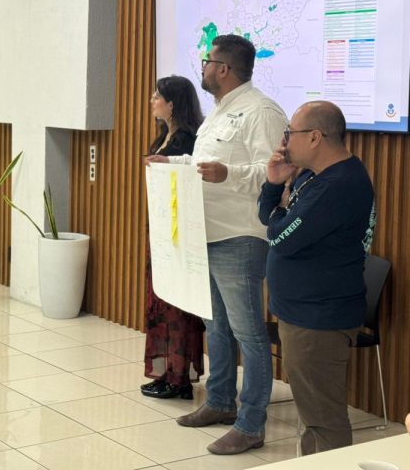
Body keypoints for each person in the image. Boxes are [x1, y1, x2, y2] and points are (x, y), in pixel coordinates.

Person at [150, 35, 287, 455]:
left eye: (208, 61)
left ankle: (251, 424)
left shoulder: (261, 111)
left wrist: (230, 173)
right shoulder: (219, 111)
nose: (204, 67)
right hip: (206, 233)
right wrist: (174, 162)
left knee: (249, 334)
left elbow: (276, 172)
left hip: (240, 236)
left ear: (223, 69)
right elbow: (203, 165)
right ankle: (221, 401)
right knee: (217, 326)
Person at [258, 101, 375, 455]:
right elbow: (268, 218)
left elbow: (281, 238)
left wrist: (278, 212)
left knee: (324, 421)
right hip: (303, 313)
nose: (284, 142)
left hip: (318, 320)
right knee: (314, 416)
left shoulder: (339, 185)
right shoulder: (312, 175)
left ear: (314, 137)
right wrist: (273, 185)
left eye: (289, 133)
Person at [140, 75, 206, 400]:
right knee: (161, 301)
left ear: (172, 104)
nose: (152, 101)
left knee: (177, 305)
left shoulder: (188, 140)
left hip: (179, 234)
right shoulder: (163, 137)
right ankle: (166, 370)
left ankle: (179, 375)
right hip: (162, 228)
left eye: (158, 96)